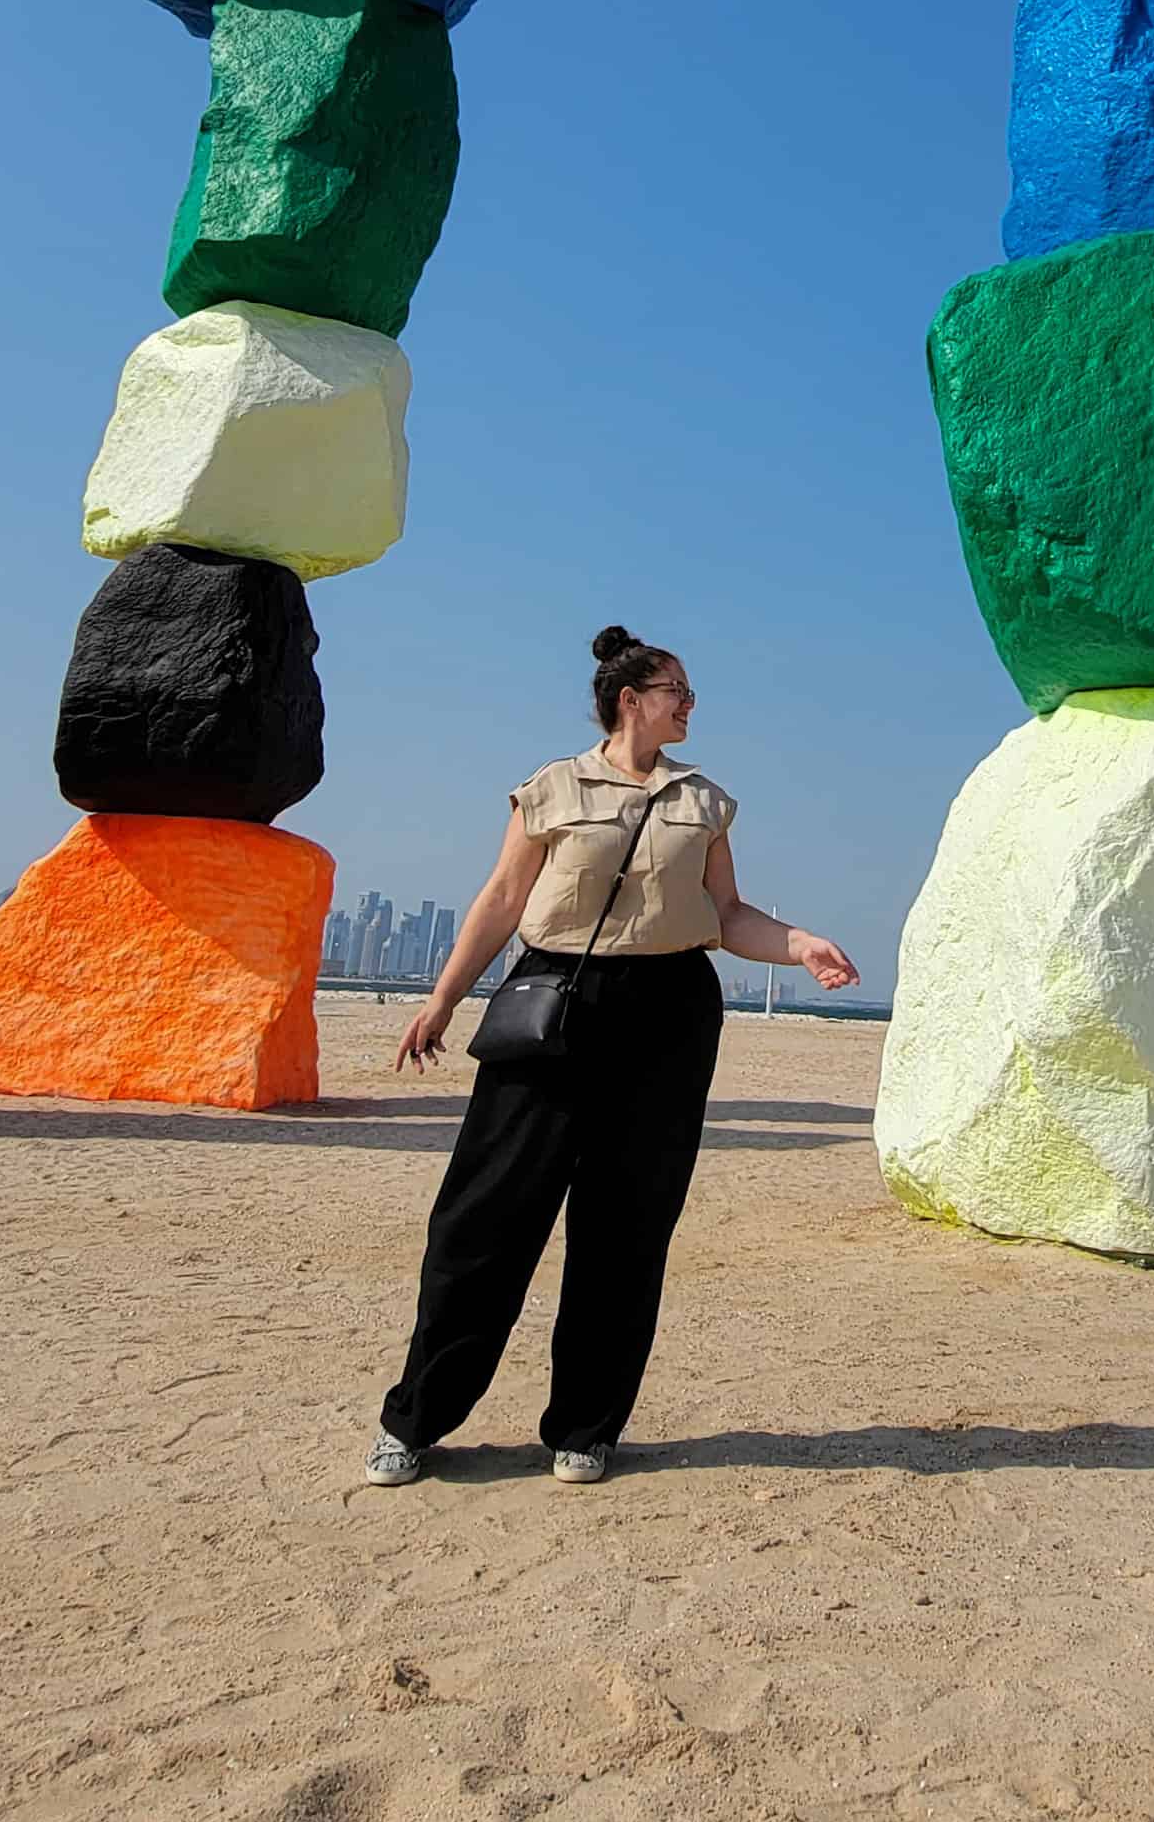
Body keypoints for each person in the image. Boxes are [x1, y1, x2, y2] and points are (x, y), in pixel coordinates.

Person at [362, 627, 856, 1489]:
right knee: (484, 1218)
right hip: (553, 1002)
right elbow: (503, 898)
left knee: (626, 1228)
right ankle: (416, 1420)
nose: (689, 705)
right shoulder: (551, 787)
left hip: (669, 1012)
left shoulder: (703, 801)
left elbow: (728, 912)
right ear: (631, 699)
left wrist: (802, 942)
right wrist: (443, 996)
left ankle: (586, 1427)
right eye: (678, 691)